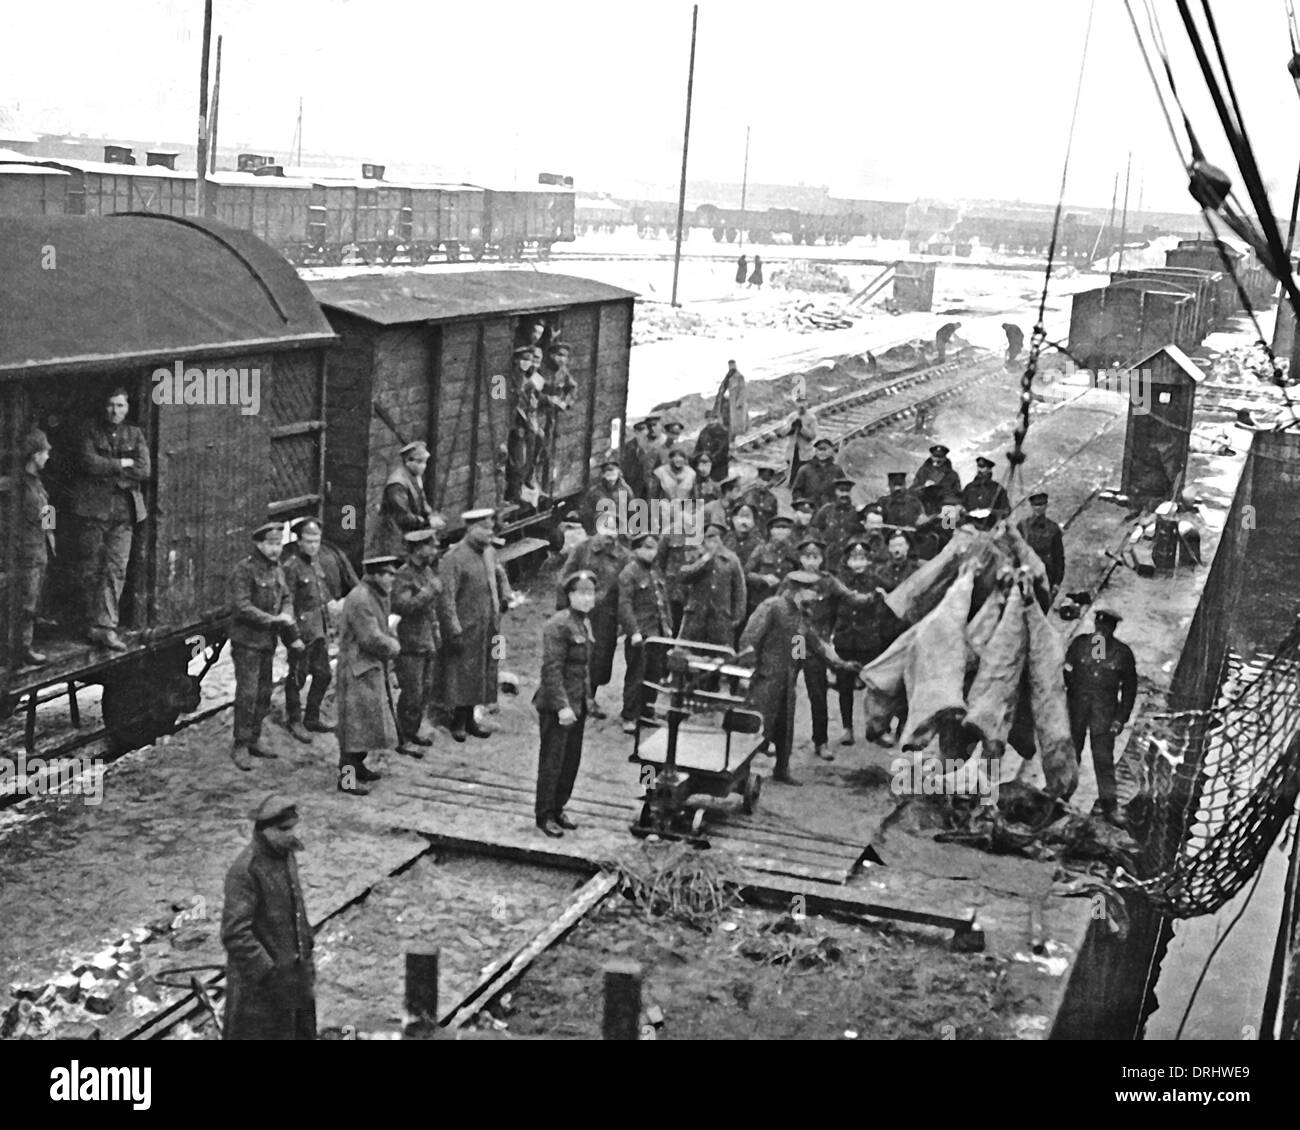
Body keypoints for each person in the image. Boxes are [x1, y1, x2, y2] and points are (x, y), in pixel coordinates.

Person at [221, 794, 315, 1040]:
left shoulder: (285, 854)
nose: (291, 834)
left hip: (293, 974)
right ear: (265, 831)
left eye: (293, 827)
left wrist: (306, 946)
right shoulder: (246, 871)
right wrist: (268, 973)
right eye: (284, 829)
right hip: (261, 989)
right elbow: (235, 934)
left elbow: (296, 905)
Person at [736, 571, 833, 786]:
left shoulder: (802, 616)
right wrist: (746, 672)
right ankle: (740, 773)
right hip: (765, 679)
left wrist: (840, 665)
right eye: (811, 591)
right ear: (796, 589)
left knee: (785, 728)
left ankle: (782, 769)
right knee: (755, 726)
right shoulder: (772, 606)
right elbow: (749, 640)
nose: (815, 597)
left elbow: (808, 645)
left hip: (787, 681)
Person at [73, 387, 150, 651]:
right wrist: (122, 465)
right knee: (90, 567)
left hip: (123, 512)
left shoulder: (135, 433)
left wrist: (113, 467)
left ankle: (106, 627)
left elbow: (144, 469)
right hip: (93, 511)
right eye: (110, 405)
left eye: (119, 406)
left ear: (127, 408)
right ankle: (89, 623)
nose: (114, 411)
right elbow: (87, 462)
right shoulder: (89, 430)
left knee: (115, 568)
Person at [229, 523, 302, 772]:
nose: (275, 549)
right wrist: (274, 620)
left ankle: (254, 738)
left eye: (278, 544)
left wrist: (287, 612)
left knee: (263, 693)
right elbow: (242, 606)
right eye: (271, 544)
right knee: (247, 694)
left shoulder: (277, 569)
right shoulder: (245, 569)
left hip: (266, 642)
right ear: (259, 544)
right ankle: (240, 743)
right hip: (247, 642)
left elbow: (287, 597)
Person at [793, 535, 874, 761]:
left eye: (815, 557)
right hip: (797, 641)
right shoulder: (792, 581)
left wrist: (873, 596)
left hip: (818, 645)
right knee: (786, 689)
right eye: (807, 557)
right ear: (800, 559)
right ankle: (772, 739)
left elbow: (851, 598)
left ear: (821, 559)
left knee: (818, 693)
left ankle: (821, 742)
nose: (811, 561)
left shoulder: (828, 582)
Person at [438, 509, 510, 742]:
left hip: (487, 625)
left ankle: (470, 719)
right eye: (485, 529)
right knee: (461, 675)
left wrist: (504, 598)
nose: (490, 534)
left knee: (480, 672)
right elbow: (446, 598)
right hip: (465, 627)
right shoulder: (454, 558)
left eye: (492, 529)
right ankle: (457, 721)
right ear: (471, 529)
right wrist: (453, 630)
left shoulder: (489, 553)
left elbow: (498, 577)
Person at [534, 571, 597, 837]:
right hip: (558, 706)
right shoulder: (558, 625)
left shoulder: (583, 623)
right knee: (553, 761)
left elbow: (583, 668)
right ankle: (545, 814)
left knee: (571, 761)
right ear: (570, 595)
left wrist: (587, 699)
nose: (586, 598)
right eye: (580, 593)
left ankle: (559, 807)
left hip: (577, 703)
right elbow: (551, 670)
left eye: (590, 593)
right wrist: (562, 706)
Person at [1063, 608, 1138, 827]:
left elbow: (1130, 689)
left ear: (1113, 629)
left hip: (1104, 715)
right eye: (1099, 627)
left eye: (1107, 628)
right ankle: (1062, 795)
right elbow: (1066, 671)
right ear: (1095, 625)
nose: (1102, 632)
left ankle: (1110, 806)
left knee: (1103, 760)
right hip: (1076, 709)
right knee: (1070, 756)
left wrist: (1120, 718)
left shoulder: (1122, 653)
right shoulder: (1079, 644)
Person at [337, 555, 402, 795]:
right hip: (356, 669)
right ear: (376, 575)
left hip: (367, 667)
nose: (393, 579)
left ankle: (358, 767)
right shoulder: (361, 599)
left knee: (365, 724)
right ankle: (346, 778)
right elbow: (370, 637)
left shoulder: (373, 594)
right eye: (389, 575)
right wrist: (394, 646)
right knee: (353, 728)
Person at [557, 510, 628, 719]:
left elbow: (625, 590)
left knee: (601, 658)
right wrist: (563, 610)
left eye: (614, 529)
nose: (610, 535)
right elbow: (564, 578)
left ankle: (590, 698)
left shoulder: (623, 556)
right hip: (580, 613)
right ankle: (567, 697)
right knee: (575, 654)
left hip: (607, 616)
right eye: (606, 529)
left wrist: (622, 619)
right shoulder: (582, 549)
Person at [281, 518, 335, 743]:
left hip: (318, 632)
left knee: (324, 675)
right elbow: (286, 604)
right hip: (302, 634)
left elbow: (321, 598)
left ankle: (312, 717)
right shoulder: (291, 567)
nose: (313, 546)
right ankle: (294, 720)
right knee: (297, 678)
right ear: (299, 542)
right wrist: (292, 637)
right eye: (308, 541)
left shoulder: (316, 563)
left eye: (317, 541)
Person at [392, 528, 442, 757]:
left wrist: (436, 632)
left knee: (425, 691)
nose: (434, 550)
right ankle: (403, 738)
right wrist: (428, 592)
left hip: (426, 639)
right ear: (419, 549)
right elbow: (403, 607)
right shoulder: (403, 575)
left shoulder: (426, 571)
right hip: (410, 642)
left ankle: (413, 731)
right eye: (430, 546)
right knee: (411, 693)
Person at [618, 532, 673, 733]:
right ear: (637, 549)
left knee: (654, 673)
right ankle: (629, 716)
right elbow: (624, 605)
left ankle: (647, 712)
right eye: (647, 547)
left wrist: (668, 628)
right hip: (640, 635)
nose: (651, 552)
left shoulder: (656, 571)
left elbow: (663, 602)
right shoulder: (629, 573)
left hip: (657, 633)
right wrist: (633, 631)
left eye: (654, 548)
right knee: (636, 675)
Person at [834, 538, 884, 746]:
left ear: (869, 561)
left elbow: (886, 606)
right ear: (847, 562)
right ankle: (847, 729)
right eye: (854, 559)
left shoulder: (876, 581)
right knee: (844, 687)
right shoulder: (839, 582)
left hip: (869, 641)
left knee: (875, 687)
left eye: (862, 558)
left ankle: (879, 728)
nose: (858, 563)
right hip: (845, 640)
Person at [18, 428, 55, 667]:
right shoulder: (24, 487)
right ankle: (23, 648)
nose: (48, 456)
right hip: (29, 548)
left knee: (34, 596)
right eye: (45, 452)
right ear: (35, 455)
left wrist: (50, 532)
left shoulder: (35, 482)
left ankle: (26, 643)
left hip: (39, 546)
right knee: (26, 600)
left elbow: (47, 512)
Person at [679, 522, 747, 647]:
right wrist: (704, 560)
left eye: (716, 537)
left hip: (721, 620)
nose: (713, 541)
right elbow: (683, 576)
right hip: (695, 618)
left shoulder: (732, 560)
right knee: (688, 654)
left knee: (719, 657)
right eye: (709, 537)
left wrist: (736, 618)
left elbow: (739, 591)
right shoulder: (694, 555)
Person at [377, 441, 434, 555]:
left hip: (410, 534)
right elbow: (403, 517)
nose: (423, 466)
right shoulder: (397, 484)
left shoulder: (415, 477)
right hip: (395, 537)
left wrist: (431, 514)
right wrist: (428, 522)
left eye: (424, 462)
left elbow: (422, 502)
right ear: (408, 461)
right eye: (419, 462)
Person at [744, 513, 801, 615]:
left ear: (789, 531)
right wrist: (763, 578)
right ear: (771, 531)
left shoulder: (794, 551)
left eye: (784, 528)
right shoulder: (761, 549)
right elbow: (745, 574)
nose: (781, 531)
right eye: (777, 528)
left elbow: (801, 574)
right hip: (762, 599)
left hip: (786, 601)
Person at [1018, 491, 1065, 598]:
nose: (1038, 508)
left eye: (1041, 505)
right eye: (1036, 505)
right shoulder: (1022, 526)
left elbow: (1059, 557)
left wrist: (1057, 583)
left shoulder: (1053, 528)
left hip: (1047, 575)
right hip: (1026, 575)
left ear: (1046, 506)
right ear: (1031, 506)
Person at [812, 477, 864, 572]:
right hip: (827, 560)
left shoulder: (857, 513)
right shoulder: (826, 511)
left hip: (847, 562)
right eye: (841, 491)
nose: (844, 494)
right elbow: (815, 532)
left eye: (847, 491)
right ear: (835, 491)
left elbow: (860, 535)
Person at [723, 503, 763, 614]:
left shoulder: (759, 544)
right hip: (727, 592)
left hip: (750, 594)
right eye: (741, 517)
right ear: (733, 519)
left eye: (748, 517)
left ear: (754, 521)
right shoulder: (726, 539)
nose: (744, 521)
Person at [580, 455, 633, 535]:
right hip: (599, 531)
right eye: (608, 474)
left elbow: (632, 513)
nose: (611, 479)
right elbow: (586, 513)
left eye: (613, 474)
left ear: (618, 473)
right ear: (603, 474)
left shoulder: (626, 491)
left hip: (620, 531)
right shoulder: (594, 492)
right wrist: (591, 532)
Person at [791, 438, 843, 512]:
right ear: (815, 451)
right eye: (819, 449)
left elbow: (843, 490)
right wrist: (802, 505)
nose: (822, 453)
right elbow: (796, 491)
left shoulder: (837, 470)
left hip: (830, 509)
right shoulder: (805, 469)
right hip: (810, 508)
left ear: (831, 451)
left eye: (825, 449)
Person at [783, 392, 819, 486]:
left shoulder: (811, 418)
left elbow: (812, 435)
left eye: (803, 402)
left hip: (804, 453)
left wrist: (802, 428)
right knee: (791, 475)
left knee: (803, 475)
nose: (801, 404)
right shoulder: (791, 417)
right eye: (799, 402)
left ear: (807, 403)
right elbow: (783, 432)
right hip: (792, 452)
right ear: (795, 403)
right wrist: (792, 427)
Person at [960, 456, 1011, 521]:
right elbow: (962, 504)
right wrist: (962, 510)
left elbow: (1006, 511)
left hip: (989, 527)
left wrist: (991, 511)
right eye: (978, 466)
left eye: (982, 467)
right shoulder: (969, 487)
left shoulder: (997, 488)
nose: (979, 470)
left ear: (989, 469)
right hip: (968, 525)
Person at [713, 360, 749, 437]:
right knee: (726, 418)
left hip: (734, 403)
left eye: (732, 365)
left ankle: (737, 434)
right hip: (726, 402)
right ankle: (728, 434)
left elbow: (742, 390)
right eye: (730, 365)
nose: (731, 366)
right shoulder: (727, 376)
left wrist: (738, 402)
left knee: (736, 420)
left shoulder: (739, 377)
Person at [694, 407, 731, 482]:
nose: (710, 421)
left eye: (713, 418)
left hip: (719, 462)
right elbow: (698, 447)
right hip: (704, 459)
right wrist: (698, 456)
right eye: (708, 419)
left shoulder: (723, 432)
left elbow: (722, 449)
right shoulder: (703, 432)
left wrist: (710, 457)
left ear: (716, 419)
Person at [741, 464, 780, 533]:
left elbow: (774, 520)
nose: (765, 483)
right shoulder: (747, 495)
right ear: (757, 478)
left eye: (768, 480)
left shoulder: (772, 498)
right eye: (763, 479)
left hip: (764, 532)